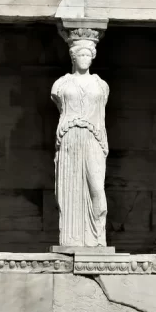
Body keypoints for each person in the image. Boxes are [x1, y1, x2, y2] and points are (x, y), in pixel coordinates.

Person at [51, 28, 109, 247]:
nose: (84, 58)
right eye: (80, 55)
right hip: (69, 138)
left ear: (92, 57)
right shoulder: (61, 85)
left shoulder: (101, 85)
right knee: (69, 191)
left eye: (88, 54)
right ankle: (72, 239)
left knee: (97, 188)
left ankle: (96, 236)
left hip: (93, 138)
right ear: (73, 57)